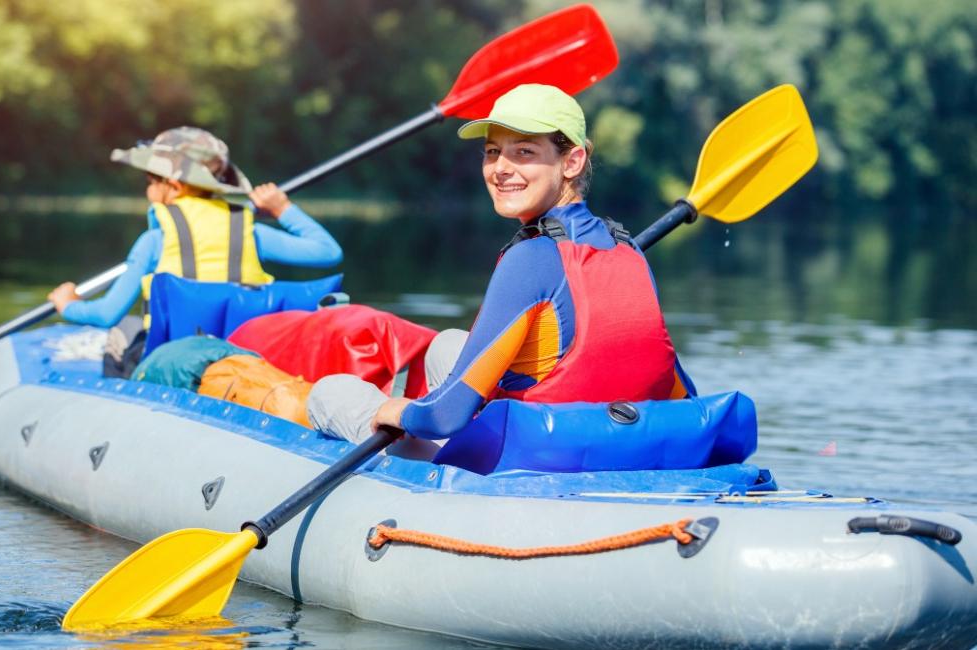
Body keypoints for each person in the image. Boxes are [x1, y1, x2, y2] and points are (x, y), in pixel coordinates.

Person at [307, 84, 693, 451]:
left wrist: (393, 411)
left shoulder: (530, 257)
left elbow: (445, 416)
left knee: (331, 392)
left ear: (573, 161)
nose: (500, 169)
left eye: (523, 152)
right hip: (609, 445)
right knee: (447, 345)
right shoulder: (625, 247)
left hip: (532, 465)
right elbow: (675, 389)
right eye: (492, 152)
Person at [45, 127, 343, 376]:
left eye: (150, 182)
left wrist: (69, 305)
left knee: (124, 328)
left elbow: (107, 314)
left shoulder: (155, 239)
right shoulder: (249, 231)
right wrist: (282, 208)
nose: (148, 191)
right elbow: (328, 252)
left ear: (173, 187)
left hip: (173, 365)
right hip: (242, 358)